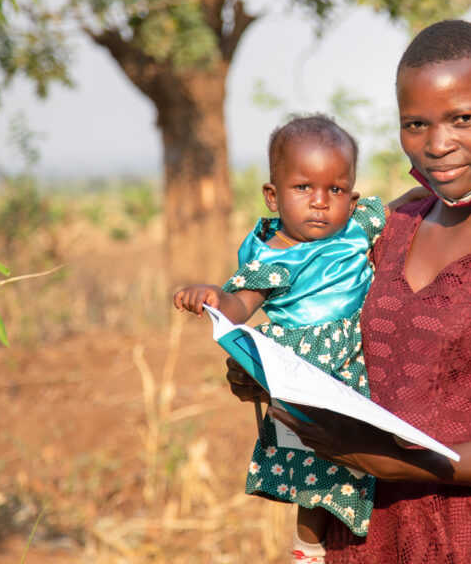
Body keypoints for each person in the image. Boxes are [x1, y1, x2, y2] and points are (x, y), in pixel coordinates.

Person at [228, 20, 471, 563]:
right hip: (363, 532)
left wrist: (392, 461)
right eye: (415, 124)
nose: (437, 145)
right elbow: (325, 327)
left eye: (464, 119)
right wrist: (264, 371)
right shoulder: (392, 224)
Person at [175, 114, 422, 563]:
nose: (321, 203)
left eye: (336, 190)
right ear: (273, 196)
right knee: (316, 466)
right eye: (303, 188)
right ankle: (307, 548)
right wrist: (212, 297)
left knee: (363, 458)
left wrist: (435, 189)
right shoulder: (273, 258)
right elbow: (238, 305)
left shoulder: (355, 231)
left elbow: (404, 205)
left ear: (353, 195)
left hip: (358, 365)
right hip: (305, 374)